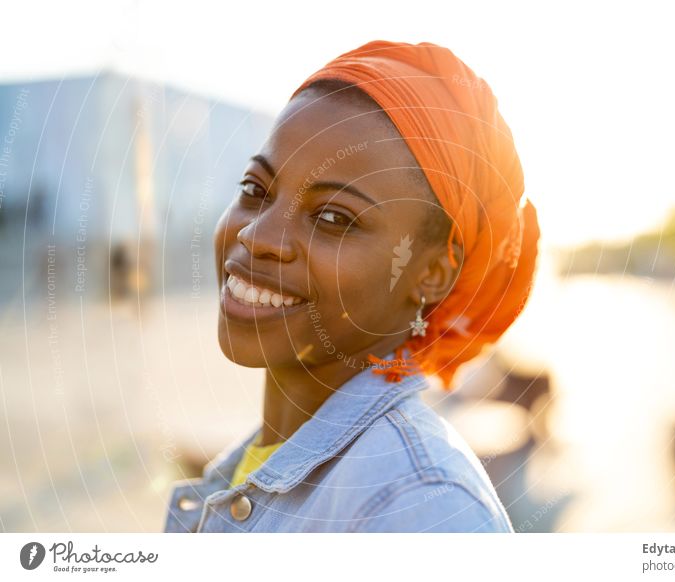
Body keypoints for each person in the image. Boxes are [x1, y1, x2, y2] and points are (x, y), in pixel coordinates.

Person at [163, 40, 539, 533]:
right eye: (256, 190)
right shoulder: (253, 466)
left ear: (433, 273)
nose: (258, 237)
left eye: (334, 217)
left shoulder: (422, 510)